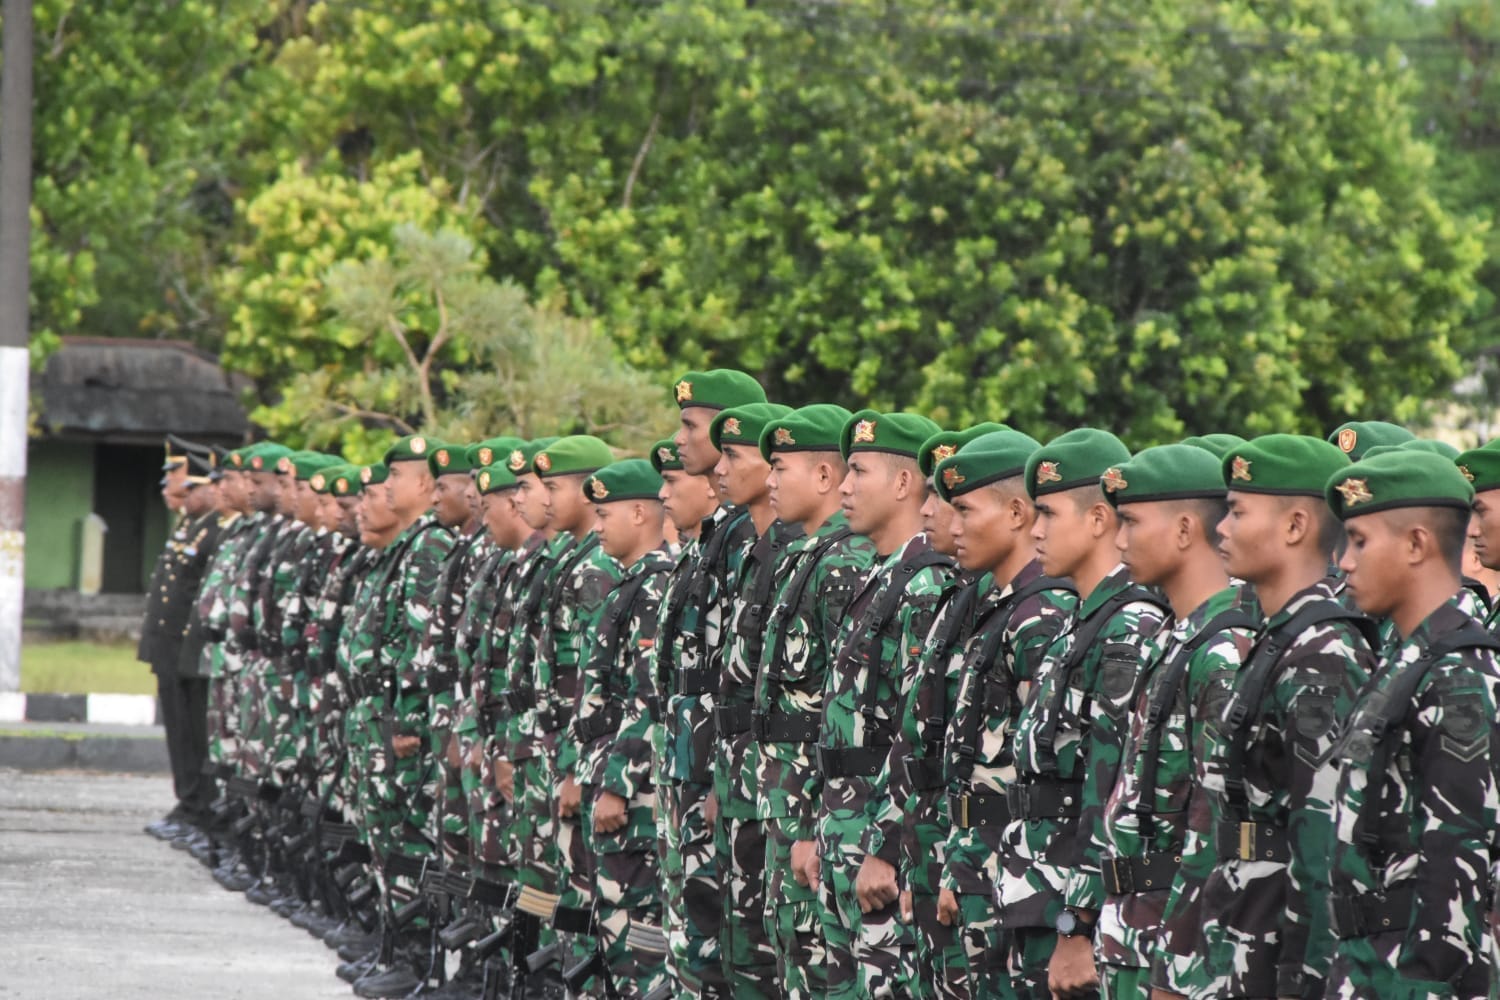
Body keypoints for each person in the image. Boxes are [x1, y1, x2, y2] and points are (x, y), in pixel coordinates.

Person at [1151, 434, 1375, 1000]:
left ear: (1296, 526)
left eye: (1237, 511)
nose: (1220, 528)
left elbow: (1323, 843)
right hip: (1238, 935)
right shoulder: (1280, 641)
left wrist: (1306, 980)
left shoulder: (1323, 654)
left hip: (1281, 955)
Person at [1321, 451, 1500, 998]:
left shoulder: (1458, 672)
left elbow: (1457, 858)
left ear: (1418, 544)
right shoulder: (1408, 658)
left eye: (1360, 541)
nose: (1345, 562)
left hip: (1413, 974)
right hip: (1367, 959)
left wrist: (1425, 980)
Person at [1001, 429, 1169, 999]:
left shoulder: (1127, 626)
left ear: (1099, 520)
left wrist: (1078, 922)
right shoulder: (1084, 618)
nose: (1036, 529)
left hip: (1073, 905)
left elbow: (1110, 788)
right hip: (1040, 888)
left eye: (1048, 513)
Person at [1091, 444, 1254, 997]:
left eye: (1132, 522)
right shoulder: (1176, 637)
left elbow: (1212, 832)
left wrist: (1181, 969)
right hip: (1135, 931)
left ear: (1185, 529)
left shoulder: (1222, 652)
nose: (1119, 541)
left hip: (1174, 948)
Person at [932, 430, 1078, 998]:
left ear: (1016, 512)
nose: (953, 524)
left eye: (965, 510)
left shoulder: (1042, 614)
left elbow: (1044, 774)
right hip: (982, 866)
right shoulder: (1001, 606)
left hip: (1016, 876)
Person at [818, 409, 951, 999]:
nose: (843, 488)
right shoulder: (881, 576)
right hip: (843, 829)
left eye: (858, 472)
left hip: (880, 842)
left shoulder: (924, 586)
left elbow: (916, 735)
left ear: (903, 484)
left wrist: (887, 845)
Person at [755, 403, 878, 999]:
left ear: (824, 477)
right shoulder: (808, 557)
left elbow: (838, 708)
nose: (769, 480)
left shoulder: (846, 564)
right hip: (789, 806)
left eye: (780, 467)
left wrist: (807, 821)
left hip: (818, 813)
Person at [659, 369, 767, 998]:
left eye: (690, 427)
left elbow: (744, 678)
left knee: (732, 945)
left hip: (728, 773)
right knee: (702, 936)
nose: (679, 439)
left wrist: (721, 777)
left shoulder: (742, 536)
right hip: (699, 762)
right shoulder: (721, 532)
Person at [707, 402, 799, 998]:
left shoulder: (810, 559)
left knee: (778, 957)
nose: (720, 469)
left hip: (791, 797)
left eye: (732, 455)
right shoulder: (749, 549)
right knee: (746, 943)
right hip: (748, 779)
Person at [573, 459, 676, 996]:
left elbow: (648, 697)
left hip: (634, 795)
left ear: (639, 513)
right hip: (612, 778)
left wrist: (617, 784)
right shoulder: (633, 585)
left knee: (638, 934)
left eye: (604, 514)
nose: (596, 527)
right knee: (613, 924)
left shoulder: (656, 589)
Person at [141, 443, 226, 840]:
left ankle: (200, 808)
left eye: (191, 489)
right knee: (179, 731)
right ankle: (189, 802)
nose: (182, 496)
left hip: (191, 650)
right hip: (173, 648)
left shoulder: (215, 530)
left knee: (195, 733)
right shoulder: (190, 526)